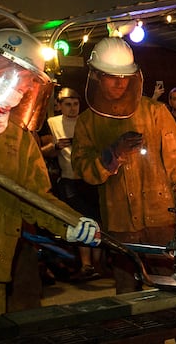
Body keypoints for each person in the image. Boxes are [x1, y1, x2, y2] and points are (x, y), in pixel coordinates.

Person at [0, 28, 100, 321]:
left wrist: (70, 223)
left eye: (31, 83)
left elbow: (34, 196)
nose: (24, 89)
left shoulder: (19, 137)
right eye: (24, 78)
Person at [71, 37, 176, 296]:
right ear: (96, 76)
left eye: (124, 76)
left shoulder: (155, 112)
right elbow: (83, 169)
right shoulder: (88, 122)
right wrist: (113, 155)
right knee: (128, 293)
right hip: (119, 223)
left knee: (172, 289)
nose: (120, 82)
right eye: (111, 76)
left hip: (161, 218)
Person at [44, 87, 104, 280]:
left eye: (75, 104)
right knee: (80, 219)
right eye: (68, 104)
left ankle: (96, 264)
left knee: (97, 220)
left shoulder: (87, 121)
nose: (72, 108)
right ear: (59, 105)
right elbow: (41, 150)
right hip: (68, 178)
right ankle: (86, 265)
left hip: (90, 177)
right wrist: (55, 146)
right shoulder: (52, 123)